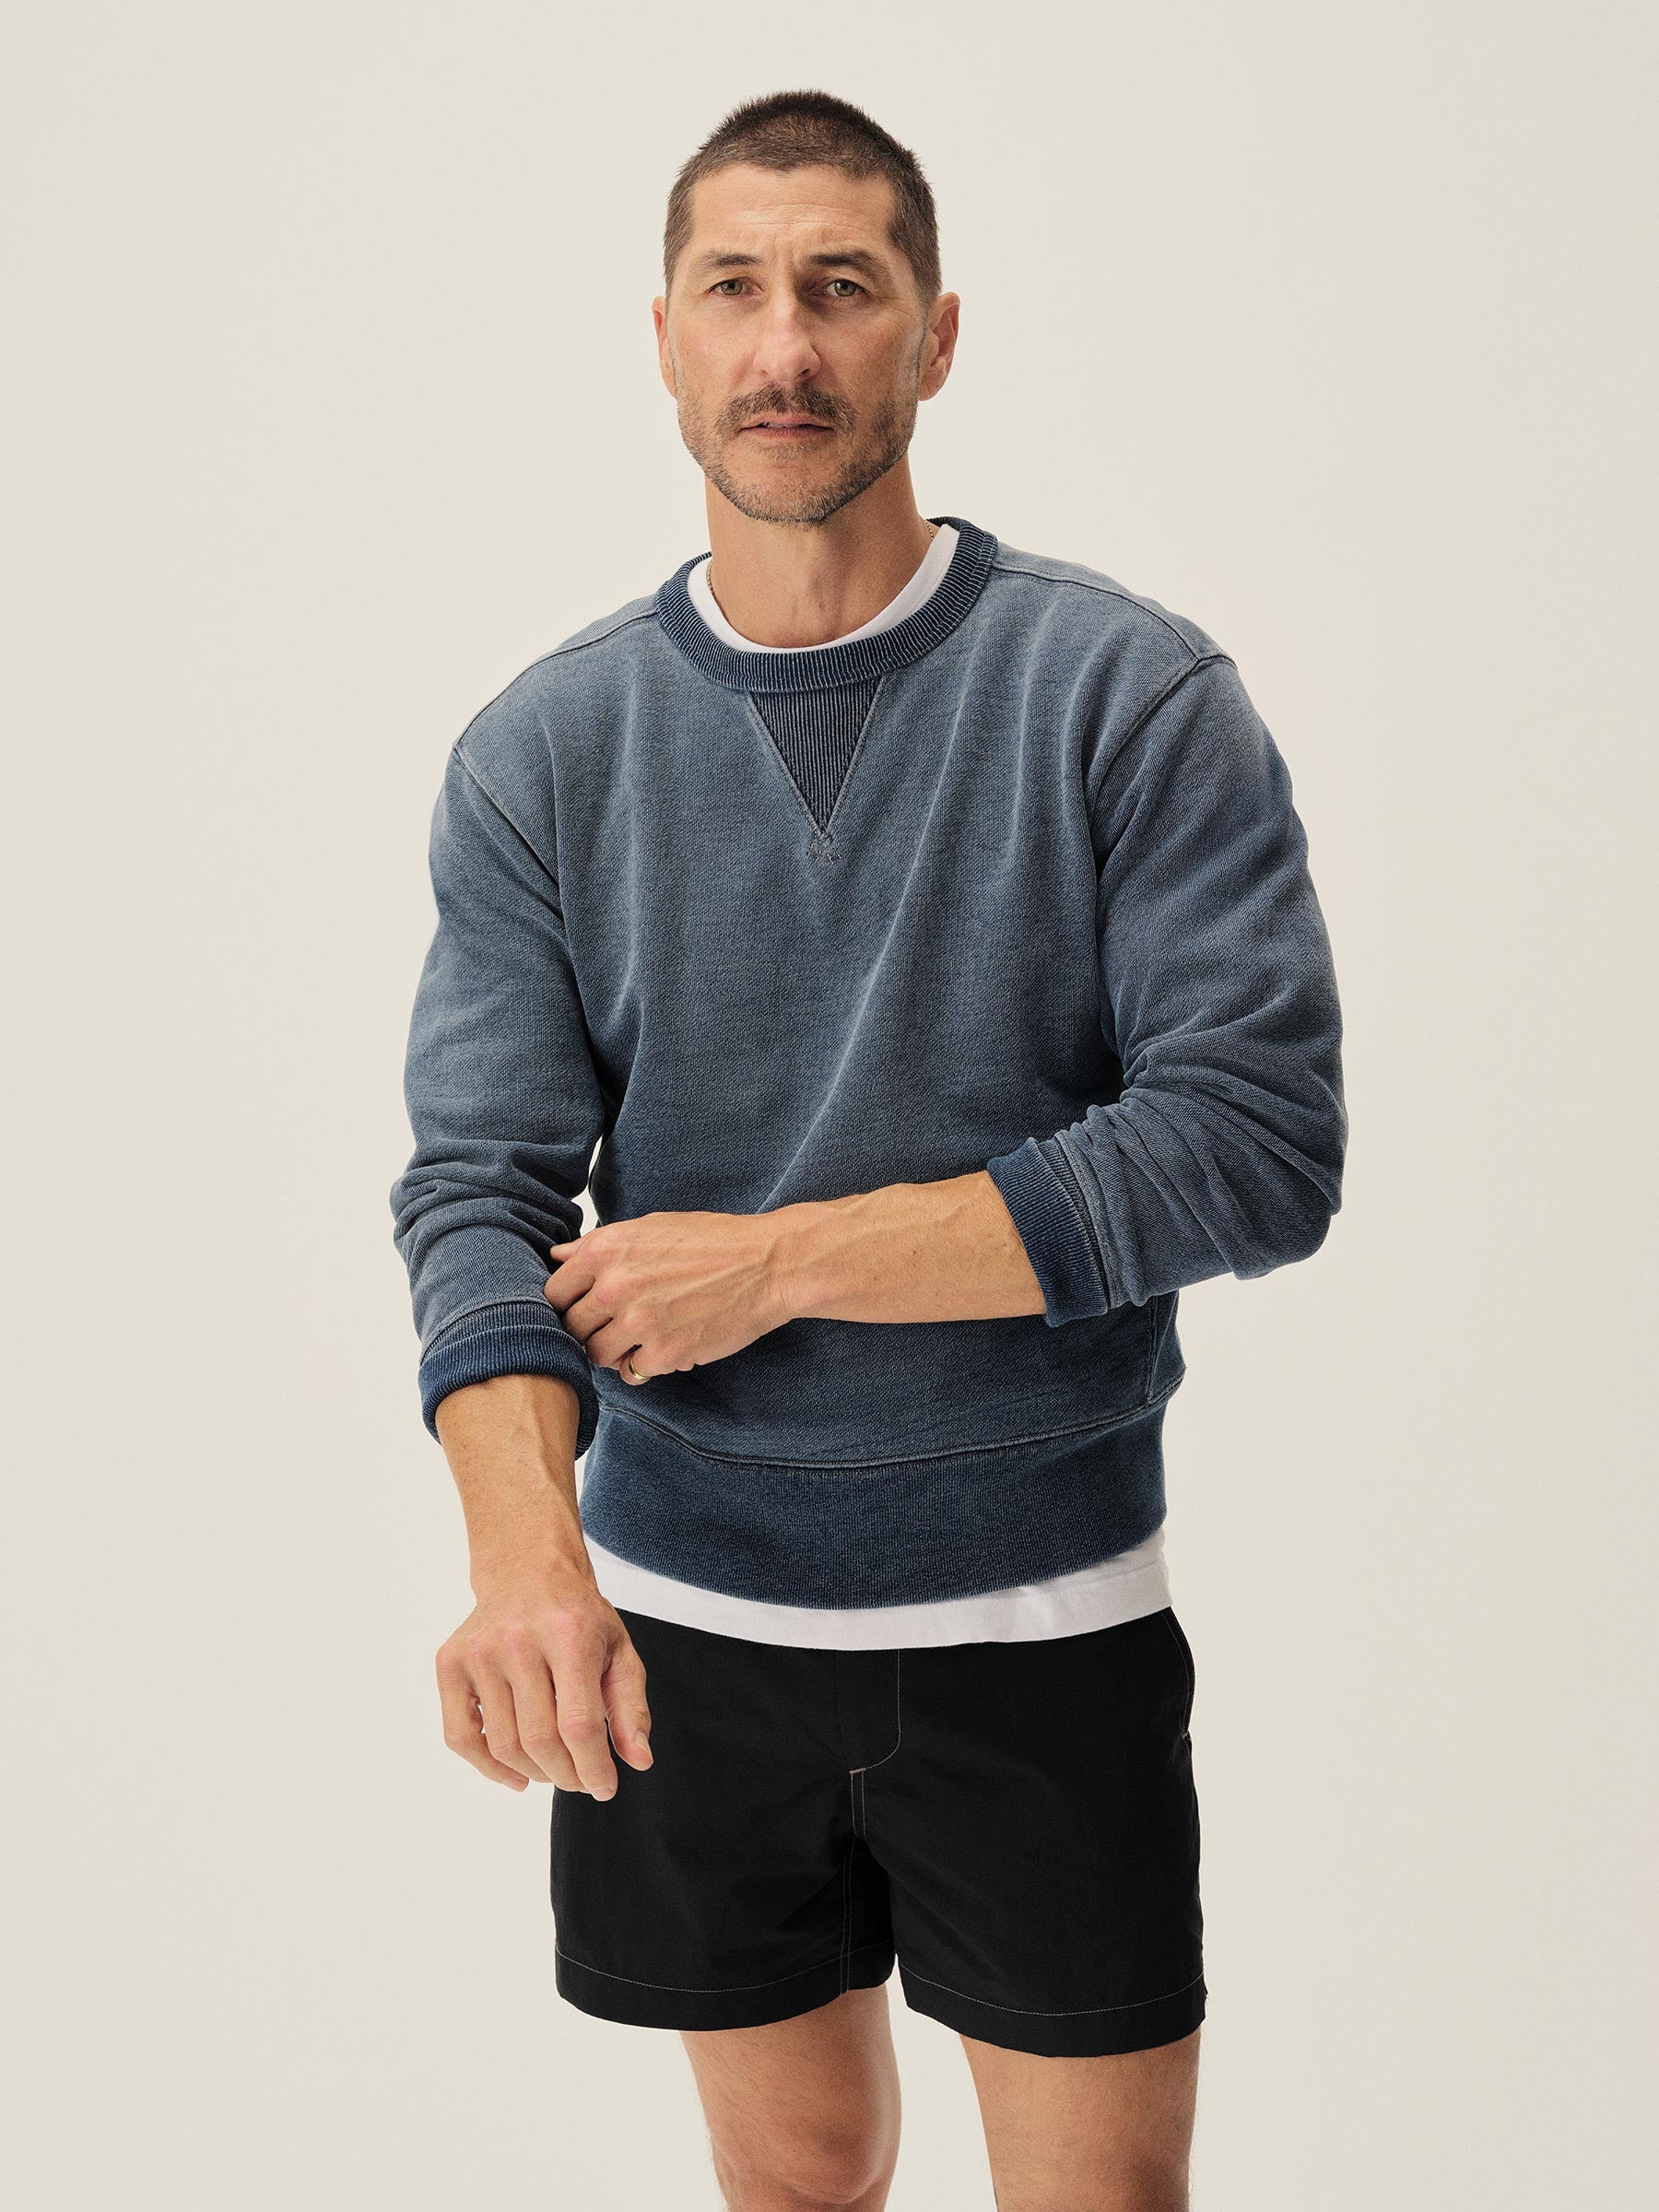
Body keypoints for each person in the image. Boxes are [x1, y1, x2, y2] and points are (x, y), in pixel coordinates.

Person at [388, 86, 1347, 2212]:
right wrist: (525, 1557)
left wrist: (783, 1257)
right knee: (797, 2178)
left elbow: (1255, 1146)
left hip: (1043, 1622)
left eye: (842, 287)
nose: (785, 345)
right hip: (681, 1632)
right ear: (664, 339)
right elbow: (478, 1190)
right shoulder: (545, 751)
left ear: (937, 334)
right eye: (734, 289)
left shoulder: (1124, 695)